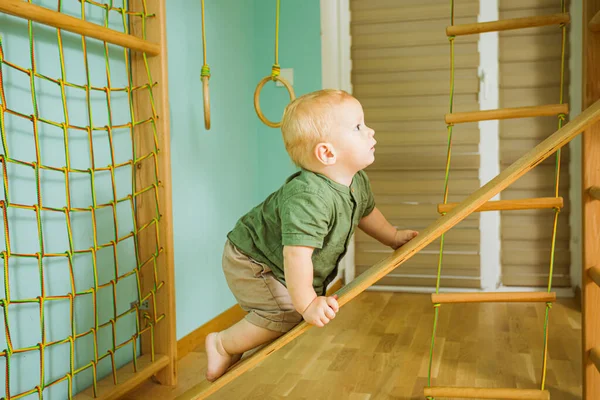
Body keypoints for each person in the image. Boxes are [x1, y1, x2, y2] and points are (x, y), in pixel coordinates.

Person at [205, 89, 418, 382]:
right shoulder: (308, 197)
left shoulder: (356, 181)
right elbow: (296, 255)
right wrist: (306, 303)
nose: (370, 131)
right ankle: (222, 343)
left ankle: (236, 344)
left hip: (278, 261)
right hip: (251, 259)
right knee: (287, 314)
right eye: (358, 127)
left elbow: (366, 213)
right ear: (327, 153)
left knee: (290, 312)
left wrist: (392, 236)